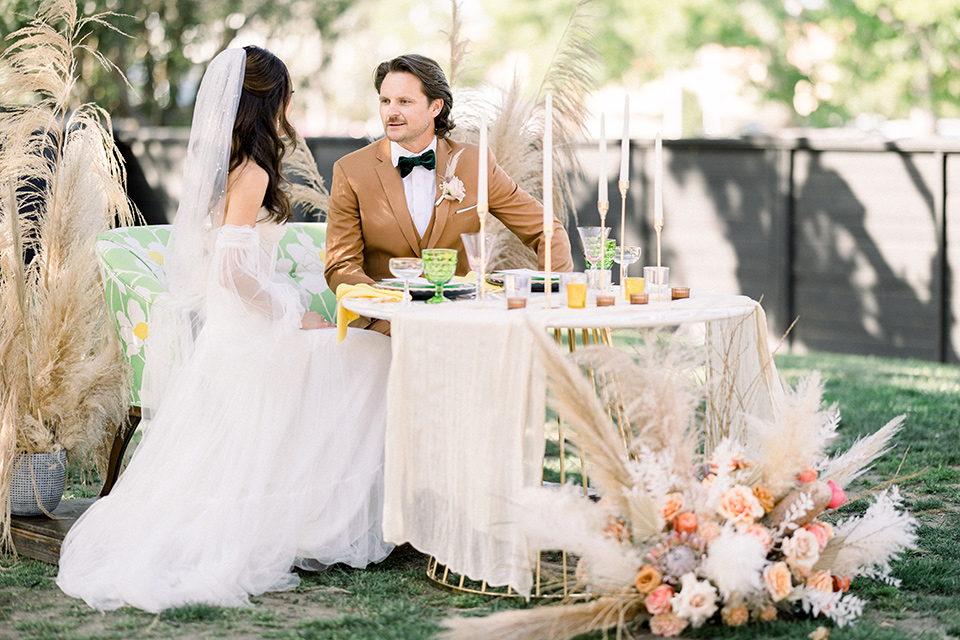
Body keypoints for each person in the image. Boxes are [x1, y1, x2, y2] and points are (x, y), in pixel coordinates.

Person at [56, 46, 394, 612]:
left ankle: (315, 511)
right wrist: (294, 312)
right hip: (252, 333)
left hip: (231, 330)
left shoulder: (227, 165)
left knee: (359, 353)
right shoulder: (254, 170)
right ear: (269, 102)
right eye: (286, 94)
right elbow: (231, 270)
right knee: (373, 356)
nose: (291, 105)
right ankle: (324, 519)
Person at [324, 53, 574, 334]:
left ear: (435, 106)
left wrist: (553, 298)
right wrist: (384, 306)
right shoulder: (351, 170)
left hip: (461, 319)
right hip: (384, 324)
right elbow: (341, 264)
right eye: (385, 101)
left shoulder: (475, 163)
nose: (391, 112)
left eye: (404, 101)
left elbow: (546, 230)